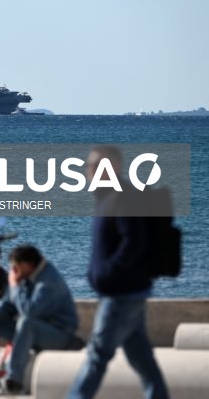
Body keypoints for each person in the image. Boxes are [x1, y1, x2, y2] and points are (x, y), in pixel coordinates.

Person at [67, 146, 169, 399]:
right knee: (142, 359)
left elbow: (134, 241)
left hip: (121, 293)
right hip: (126, 290)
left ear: (113, 168)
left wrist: (109, 274)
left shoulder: (123, 197)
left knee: (97, 356)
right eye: (89, 166)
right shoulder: (109, 196)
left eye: (94, 166)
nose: (88, 171)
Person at [0, 245, 81, 395]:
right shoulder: (26, 276)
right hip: (36, 332)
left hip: (60, 335)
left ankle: (14, 381)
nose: (14, 269)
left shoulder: (48, 282)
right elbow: (8, 302)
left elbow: (29, 312)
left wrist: (14, 286)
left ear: (29, 264)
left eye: (17, 265)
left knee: (26, 323)